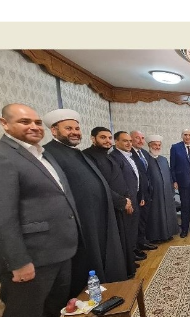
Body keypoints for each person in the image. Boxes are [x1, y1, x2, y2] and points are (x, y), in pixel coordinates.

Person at [0, 103, 79, 317]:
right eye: (24, 122)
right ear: (4, 123)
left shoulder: (42, 154)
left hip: (58, 251)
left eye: (37, 122)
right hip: (30, 258)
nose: (34, 126)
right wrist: (18, 262)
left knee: (53, 312)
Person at [42, 109, 127, 298]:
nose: (74, 132)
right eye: (68, 128)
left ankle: (105, 289)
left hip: (95, 215)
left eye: (77, 128)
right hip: (81, 218)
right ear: (54, 130)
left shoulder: (75, 152)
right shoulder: (50, 154)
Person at [83, 126, 138, 278]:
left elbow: (120, 180)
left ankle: (126, 268)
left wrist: (127, 199)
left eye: (109, 138)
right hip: (108, 205)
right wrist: (121, 201)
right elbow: (98, 185)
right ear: (93, 139)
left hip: (121, 203)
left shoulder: (107, 155)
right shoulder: (88, 157)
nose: (107, 141)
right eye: (103, 137)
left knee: (123, 237)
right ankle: (118, 273)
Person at [108, 131, 142, 271]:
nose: (129, 143)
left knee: (133, 226)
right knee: (127, 229)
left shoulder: (128, 155)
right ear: (116, 142)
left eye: (130, 141)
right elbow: (119, 182)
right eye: (125, 141)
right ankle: (129, 257)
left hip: (134, 195)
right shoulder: (114, 157)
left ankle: (132, 252)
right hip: (126, 199)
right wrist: (126, 199)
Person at [145, 134, 181, 241]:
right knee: (156, 215)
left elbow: (169, 175)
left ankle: (168, 234)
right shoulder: (145, 159)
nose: (157, 147)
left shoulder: (163, 159)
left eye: (159, 145)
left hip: (167, 192)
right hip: (154, 194)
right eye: (155, 145)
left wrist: (172, 189)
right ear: (149, 145)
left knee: (168, 213)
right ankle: (156, 237)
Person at [129, 130, 158, 254]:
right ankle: (135, 247)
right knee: (136, 221)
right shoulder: (129, 154)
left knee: (143, 219)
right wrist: (140, 195)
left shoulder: (144, 153)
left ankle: (142, 241)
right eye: (137, 138)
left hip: (146, 192)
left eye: (142, 138)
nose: (141, 141)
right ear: (131, 139)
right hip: (137, 194)